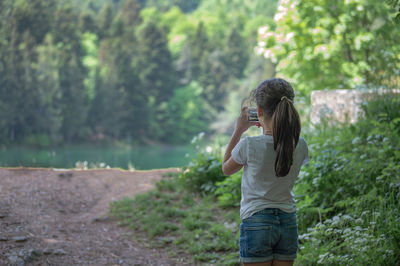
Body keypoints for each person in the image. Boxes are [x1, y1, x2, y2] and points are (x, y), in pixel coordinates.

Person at [222, 78, 309, 266]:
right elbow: (275, 149)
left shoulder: (249, 145)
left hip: (256, 222)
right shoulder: (300, 145)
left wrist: (238, 130)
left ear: (259, 111)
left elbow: (226, 168)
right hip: (288, 221)